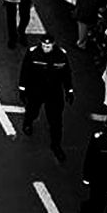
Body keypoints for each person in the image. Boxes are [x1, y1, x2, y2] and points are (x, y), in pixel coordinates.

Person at [19, 34, 73, 162]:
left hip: (54, 92)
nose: (46, 48)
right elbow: (25, 71)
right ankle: (28, 123)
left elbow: (67, 74)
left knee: (56, 121)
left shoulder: (61, 55)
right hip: (36, 90)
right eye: (44, 45)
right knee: (32, 111)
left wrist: (69, 91)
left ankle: (56, 145)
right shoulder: (33, 53)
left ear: (53, 45)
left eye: (48, 46)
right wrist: (22, 89)